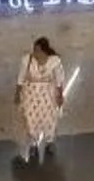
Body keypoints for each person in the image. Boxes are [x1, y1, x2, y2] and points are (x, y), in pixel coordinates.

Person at [13, 36, 65, 166]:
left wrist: (60, 94)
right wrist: (17, 93)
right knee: (31, 120)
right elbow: (20, 77)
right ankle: (33, 144)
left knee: (49, 118)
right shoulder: (27, 60)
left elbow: (59, 79)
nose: (35, 53)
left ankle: (49, 141)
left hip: (48, 94)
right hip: (31, 95)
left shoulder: (54, 61)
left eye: (38, 50)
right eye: (34, 50)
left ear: (44, 50)